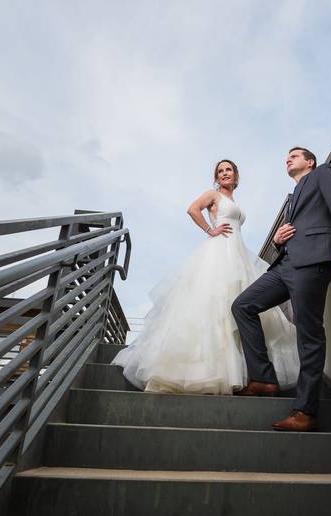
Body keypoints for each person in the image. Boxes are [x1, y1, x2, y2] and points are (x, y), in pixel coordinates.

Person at [112, 160, 299, 394]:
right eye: (220, 171)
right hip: (219, 252)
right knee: (214, 306)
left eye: (228, 170)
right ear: (216, 178)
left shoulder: (233, 201)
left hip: (238, 254)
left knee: (240, 310)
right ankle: (210, 373)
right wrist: (209, 230)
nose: (224, 173)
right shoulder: (213, 195)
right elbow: (192, 209)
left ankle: (245, 374)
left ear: (236, 175)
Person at [232, 147, 331, 432]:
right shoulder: (294, 196)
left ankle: (305, 411)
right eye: (286, 157)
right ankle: (263, 378)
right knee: (243, 306)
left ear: (309, 161)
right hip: (285, 265)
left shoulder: (323, 173)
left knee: (308, 332)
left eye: (294, 155)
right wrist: (278, 241)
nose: (288, 159)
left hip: (314, 261)